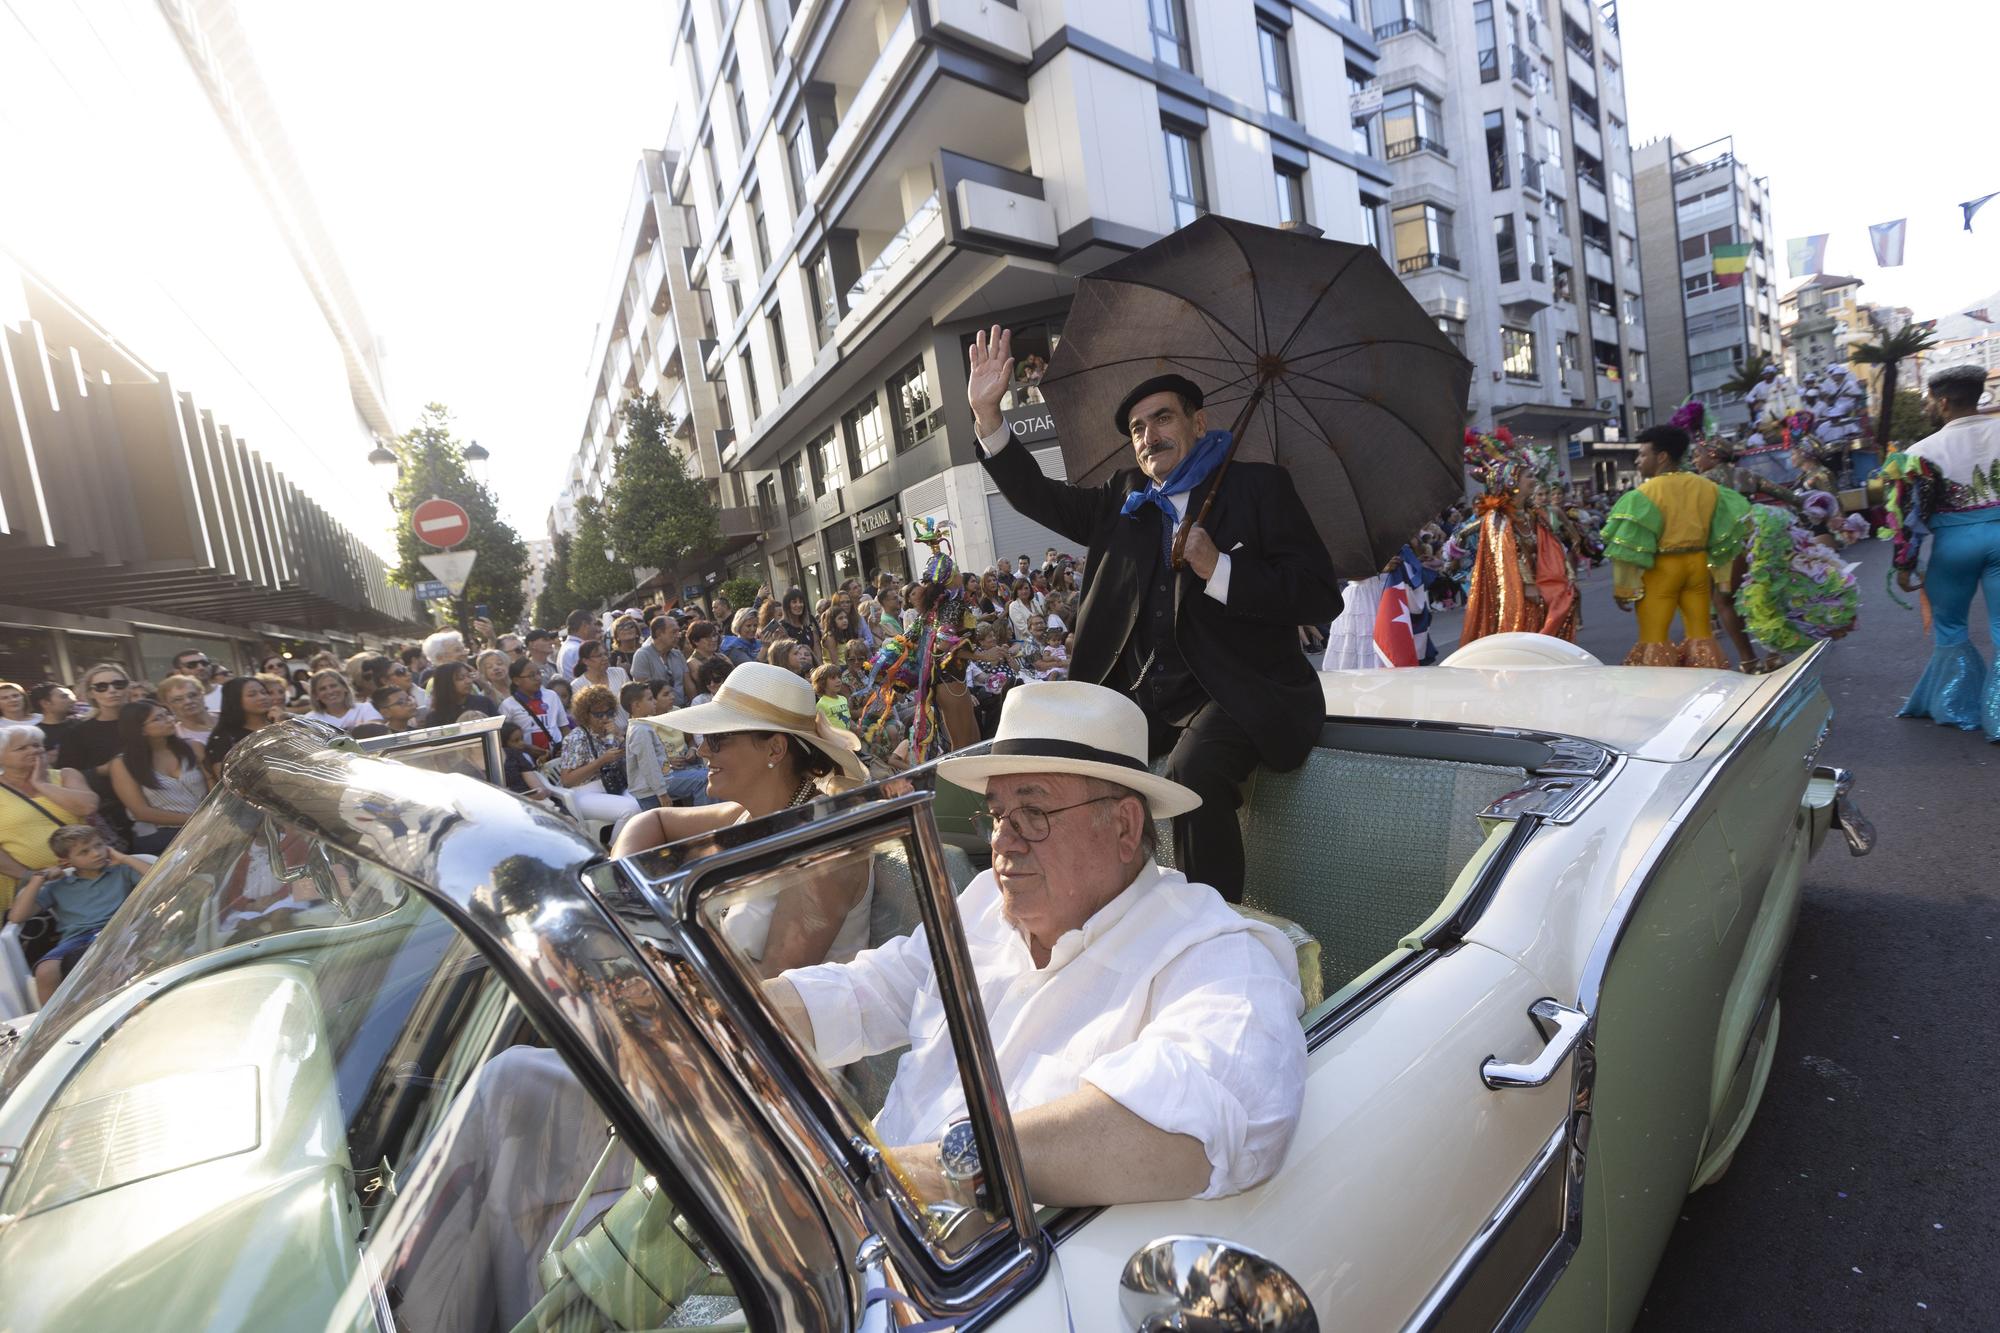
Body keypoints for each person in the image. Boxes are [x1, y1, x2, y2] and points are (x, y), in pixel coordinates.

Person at [762, 681, 1304, 1206]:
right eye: (997, 814)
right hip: (865, 1226)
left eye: (1034, 813)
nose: (1000, 840)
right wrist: (711, 1011)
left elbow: (1209, 1123)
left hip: (985, 1277)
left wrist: (899, 1177)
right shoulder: (982, 907)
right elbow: (865, 991)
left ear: (1123, 825)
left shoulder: (1213, 953)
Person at [966, 328, 1341, 902]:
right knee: (1073, 775)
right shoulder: (1125, 498)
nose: (1149, 436)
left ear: (1198, 422)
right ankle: (1095, 904)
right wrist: (989, 416)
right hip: (1140, 692)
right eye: (1138, 429)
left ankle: (1205, 930)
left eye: (1162, 419)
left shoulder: (1259, 488)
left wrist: (1220, 569)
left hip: (1236, 690)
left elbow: (1318, 595)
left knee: (1192, 775)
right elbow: (1038, 496)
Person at [611, 662, 870, 972]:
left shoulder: (822, 848)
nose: (704, 750)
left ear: (774, 750)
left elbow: (772, 986)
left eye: (719, 739)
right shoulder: (753, 816)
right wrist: (618, 899)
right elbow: (651, 821)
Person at [1883, 364, 2000, 739]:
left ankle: (1957, 706)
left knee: (1951, 628)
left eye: (1930, 401)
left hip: (1954, 546)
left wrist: (1905, 565)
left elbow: (1907, 515)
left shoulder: (1920, 452)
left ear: (1944, 401)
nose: (1928, 408)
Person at [1600, 425, 1752, 668]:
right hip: (1698, 568)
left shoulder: (1643, 494)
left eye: (1642, 454)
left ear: (1661, 457)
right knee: (1700, 633)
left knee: (1654, 635)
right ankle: (1706, 679)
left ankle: (1659, 690)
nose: (1638, 461)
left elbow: (1629, 548)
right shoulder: (1710, 488)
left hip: (1662, 570)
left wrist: (1624, 587)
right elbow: (1725, 537)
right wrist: (1723, 580)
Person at [7, 824, 147, 1002]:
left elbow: (161, 876)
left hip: (118, 929)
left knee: (104, 960)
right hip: (77, 939)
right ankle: (54, 1024)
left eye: (99, 845)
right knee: (45, 970)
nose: (96, 853)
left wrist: (125, 858)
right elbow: (16, 916)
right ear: (65, 861)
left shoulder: (122, 872)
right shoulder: (58, 887)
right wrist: (39, 878)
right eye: (84, 852)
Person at [0, 723, 100, 912]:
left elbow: (87, 807)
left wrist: (40, 783)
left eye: (37, 745)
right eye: (22, 748)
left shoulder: (65, 775)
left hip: (85, 871)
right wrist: (30, 875)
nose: (34, 751)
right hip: (24, 884)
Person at [106, 700, 207, 854]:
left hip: (211, 827)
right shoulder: (122, 764)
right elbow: (141, 812)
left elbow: (213, 784)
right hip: (164, 837)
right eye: (158, 718)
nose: (169, 720)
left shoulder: (193, 747)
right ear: (140, 730)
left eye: (167, 714)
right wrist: (199, 819)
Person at [57, 663, 135, 845]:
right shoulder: (77, 732)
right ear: (91, 693)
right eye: (102, 687)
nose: (112, 690)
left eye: (118, 684)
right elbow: (66, 775)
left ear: (128, 686)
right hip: (115, 812)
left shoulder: (148, 717)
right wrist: (106, 769)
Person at [553, 683, 641, 833]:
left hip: (614, 784)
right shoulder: (576, 737)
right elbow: (567, 780)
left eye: (609, 712)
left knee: (644, 801)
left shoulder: (612, 732)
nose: (605, 718)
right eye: (599, 714)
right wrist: (601, 761)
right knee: (630, 809)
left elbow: (634, 759)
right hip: (583, 792)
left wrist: (621, 737)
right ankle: (614, 850)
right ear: (585, 715)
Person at [620, 681, 711, 810]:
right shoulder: (641, 730)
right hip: (651, 790)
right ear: (637, 705)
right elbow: (648, 764)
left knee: (706, 775)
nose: (655, 702)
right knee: (703, 779)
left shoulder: (641, 726)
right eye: (650, 699)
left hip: (658, 783)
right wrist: (662, 793)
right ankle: (705, 822)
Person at [203, 676, 274, 779]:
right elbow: (227, 780)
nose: (262, 697)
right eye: (252, 694)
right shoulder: (224, 738)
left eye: (264, 692)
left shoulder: (280, 723)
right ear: (235, 700)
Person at [499, 656, 570, 756]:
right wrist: (527, 748)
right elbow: (506, 738)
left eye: (538, 673)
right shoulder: (508, 705)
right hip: (527, 757)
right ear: (516, 681)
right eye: (531, 675)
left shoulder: (552, 696)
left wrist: (567, 748)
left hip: (558, 753)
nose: (538, 678)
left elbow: (564, 727)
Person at [423, 661, 500, 728]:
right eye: (461, 678)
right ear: (446, 684)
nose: (468, 681)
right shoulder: (435, 716)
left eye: (469, 676)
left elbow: (500, 725)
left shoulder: (483, 702)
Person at [630, 616, 689, 704]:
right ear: (659, 633)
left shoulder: (678, 654)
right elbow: (642, 691)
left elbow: (688, 684)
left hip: (682, 709)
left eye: (678, 631)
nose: (678, 635)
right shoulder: (643, 655)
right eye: (674, 632)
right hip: (658, 713)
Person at [305, 668, 381, 732]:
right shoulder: (310, 720)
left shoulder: (365, 708)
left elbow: (377, 731)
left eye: (333, 686)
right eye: (322, 689)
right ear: (316, 695)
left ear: (345, 688)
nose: (330, 692)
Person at [497, 720, 551, 802]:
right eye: (516, 741)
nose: (521, 743)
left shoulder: (524, 754)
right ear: (503, 743)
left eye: (522, 738)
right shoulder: (511, 757)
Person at [157, 672, 215, 745]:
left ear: (202, 694)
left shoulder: (227, 717)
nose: (188, 701)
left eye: (192, 695)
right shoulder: (176, 736)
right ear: (167, 705)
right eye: (178, 699)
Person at [29, 683, 77, 749]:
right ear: (45, 703)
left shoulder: (81, 723)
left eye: (72, 696)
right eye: (64, 697)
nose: (72, 700)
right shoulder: (35, 735)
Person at [810, 662, 852, 732]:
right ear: (822, 682)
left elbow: (848, 719)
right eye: (833, 678)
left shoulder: (843, 699)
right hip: (832, 740)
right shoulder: (821, 704)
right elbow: (819, 727)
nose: (838, 680)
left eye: (839, 677)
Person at [557, 611, 596, 678]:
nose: (596, 628)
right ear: (585, 625)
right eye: (594, 624)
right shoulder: (578, 649)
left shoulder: (568, 647)